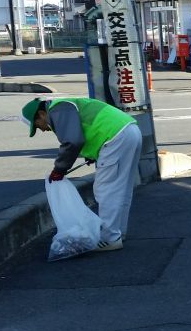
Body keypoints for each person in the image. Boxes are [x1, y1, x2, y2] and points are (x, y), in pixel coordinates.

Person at [21, 97, 142, 252]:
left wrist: (59, 169)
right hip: (129, 131)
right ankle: (117, 233)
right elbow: (85, 130)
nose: (42, 129)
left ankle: (110, 238)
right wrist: (92, 153)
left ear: (41, 114)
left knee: (106, 190)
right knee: (121, 190)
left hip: (115, 138)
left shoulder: (58, 110)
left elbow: (72, 141)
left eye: (38, 125)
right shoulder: (64, 105)